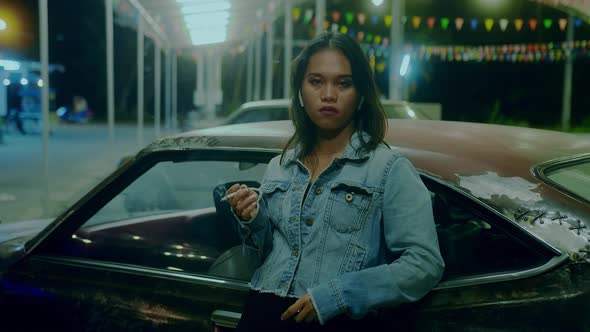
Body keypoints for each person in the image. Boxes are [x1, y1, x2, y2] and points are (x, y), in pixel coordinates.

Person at [226, 31, 444, 331]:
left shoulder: (388, 169)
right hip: (261, 313)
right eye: (316, 81)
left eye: (344, 83)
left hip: (337, 320)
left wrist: (338, 295)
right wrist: (251, 219)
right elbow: (266, 255)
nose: (328, 94)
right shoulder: (280, 165)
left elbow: (424, 264)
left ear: (362, 94)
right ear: (301, 91)